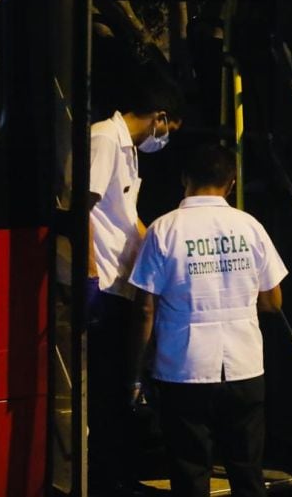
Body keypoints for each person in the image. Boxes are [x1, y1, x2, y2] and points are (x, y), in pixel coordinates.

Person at [127, 144, 287, 497]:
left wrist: (139, 368)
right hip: (245, 368)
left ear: (184, 179)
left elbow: (145, 309)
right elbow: (274, 300)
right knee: (247, 472)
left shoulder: (163, 229)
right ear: (231, 184)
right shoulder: (250, 227)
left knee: (190, 473)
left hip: (183, 370)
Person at [88, 66, 184, 495]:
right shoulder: (104, 140)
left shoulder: (126, 148)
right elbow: (80, 209)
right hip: (104, 286)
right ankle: (107, 481)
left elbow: (125, 220)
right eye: (168, 129)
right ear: (159, 116)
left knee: (117, 390)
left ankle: (118, 477)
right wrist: (89, 276)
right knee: (108, 392)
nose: (164, 138)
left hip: (119, 283)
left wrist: (163, 248)